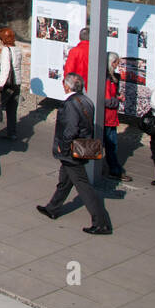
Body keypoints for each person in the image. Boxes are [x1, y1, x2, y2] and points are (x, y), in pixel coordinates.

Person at [37, 73, 113, 234]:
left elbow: (70, 130)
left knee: (84, 186)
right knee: (64, 181)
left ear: (67, 86)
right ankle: (53, 208)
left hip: (72, 151)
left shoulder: (70, 104)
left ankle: (101, 222)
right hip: (81, 147)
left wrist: (63, 148)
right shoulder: (86, 100)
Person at [0, 27, 21, 141]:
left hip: (6, 84)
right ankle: (12, 133)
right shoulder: (17, 50)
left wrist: (0, 85)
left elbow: (5, 69)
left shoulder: (6, 50)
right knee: (12, 110)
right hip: (16, 83)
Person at [103, 52, 131, 182]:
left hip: (109, 117)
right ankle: (114, 170)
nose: (117, 65)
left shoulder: (109, 77)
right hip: (108, 117)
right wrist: (117, 100)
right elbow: (107, 100)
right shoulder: (107, 79)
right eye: (116, 63)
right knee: (111, 145)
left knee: (109, 144)